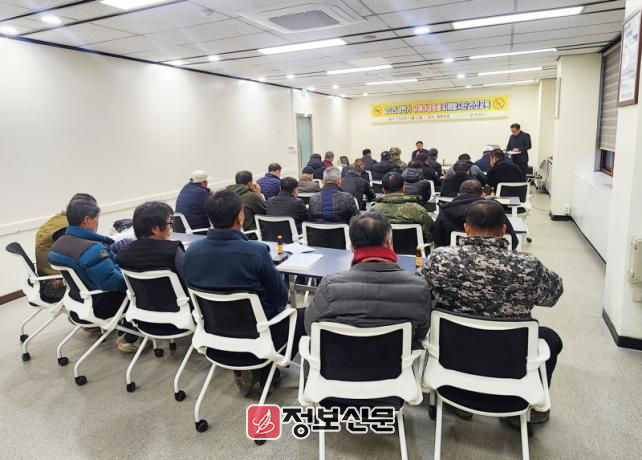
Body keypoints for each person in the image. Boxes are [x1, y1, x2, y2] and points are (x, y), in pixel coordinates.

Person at [423, 199, 563, 424]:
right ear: (503, 230)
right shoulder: (529, 266)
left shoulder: (440, 260)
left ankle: (458, 400)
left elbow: (422, 296)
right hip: (510, 358)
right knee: (551, 339)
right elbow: (553, 296)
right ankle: (524, 410)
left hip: (454, 354)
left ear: (466, 228)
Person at [182, 190, 306, 396]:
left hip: (214, 335)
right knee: (303, 315)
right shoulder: (256, 252)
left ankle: (258, 370)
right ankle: (268, 368)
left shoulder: (191, 252)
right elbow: (280, 299)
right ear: (240, 216)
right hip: (258, 335)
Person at [305, 212, 431, 349]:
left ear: (352, 248)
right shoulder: (419, 287)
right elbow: (421, 332)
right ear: (389, 243)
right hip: (397, 360)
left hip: (340, 359)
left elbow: (310, 327)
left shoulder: (329, 286)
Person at [48, 199, 139, 352]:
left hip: (78, 300)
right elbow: (113, 282)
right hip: (101, 304)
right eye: (97, 218)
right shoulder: (92, 249)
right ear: (87, 220)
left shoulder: (58, 244)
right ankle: (129, 337)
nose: (98, 222)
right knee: (142, 289)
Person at [35, 193, 96, 301]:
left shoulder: (58, 220)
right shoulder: (65, 229)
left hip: (46, 278)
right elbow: (87, 256)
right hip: (55, 285)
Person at [116, 201, 186, 289]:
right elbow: (189, 280)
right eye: (170, 223)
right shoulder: (174, 252)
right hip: (179, 297)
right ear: (155, 229)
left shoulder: (122, 254)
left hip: (142, 298)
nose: (171, 227)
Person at [432, 180, 518, 249]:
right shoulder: (494, 210)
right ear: (482, 194)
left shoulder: (446, 211)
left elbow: (437, 239)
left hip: (453, 257)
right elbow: (513, 242)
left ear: (458, 194)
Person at [371, 172, 433, 243]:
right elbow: (430, 232)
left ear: (383, 189)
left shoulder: (373, 211)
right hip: (414, 249)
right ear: (403, 187)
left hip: (383, 249)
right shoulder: (418, 210)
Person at [226, 171, 266, 235]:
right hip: (252, 234)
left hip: (231, 233)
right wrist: (258, 194)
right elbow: (265, 212)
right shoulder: (252, 196)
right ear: (250, 183)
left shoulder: (226, 195)